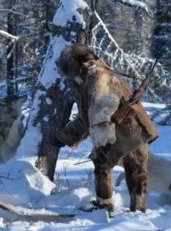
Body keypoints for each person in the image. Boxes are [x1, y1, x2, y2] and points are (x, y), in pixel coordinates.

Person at [55, 44, 158, 214]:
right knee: (136, 169)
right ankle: (138, 210)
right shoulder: (89, 77)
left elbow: (101, 110)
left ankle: (105, 206)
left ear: (76, 66)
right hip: (135, 129)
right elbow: (85, 118)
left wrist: (102, 142)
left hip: (123, 129)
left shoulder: (97, 76)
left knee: (104, 165)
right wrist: (65, 137)